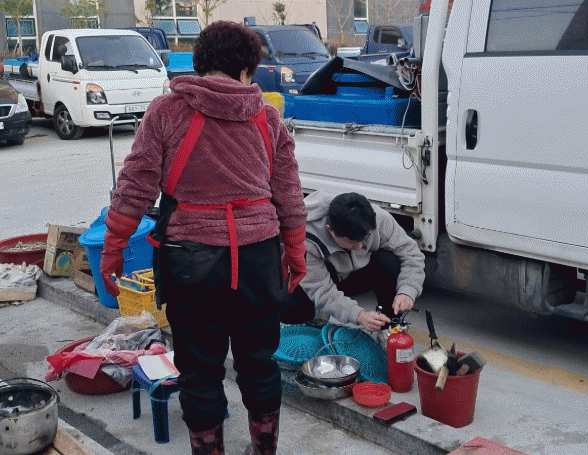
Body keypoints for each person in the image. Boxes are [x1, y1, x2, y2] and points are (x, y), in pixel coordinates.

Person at [98, 21, 307, 455]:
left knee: (199, 370)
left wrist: (114, 247)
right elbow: (289, 193)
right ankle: (264, 449)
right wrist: (295, 251)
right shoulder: (267, 117)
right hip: (257, 259)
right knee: (259, 363)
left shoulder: (166, 111)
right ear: (246, 69)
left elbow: (135, 185)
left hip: (191, 262)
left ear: (200, 64)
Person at [300, 190, 425, 333]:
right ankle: (315, 312)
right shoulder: (305, 236)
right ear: (330, 230)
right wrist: (358, 315)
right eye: (352, 242)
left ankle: (389, 325)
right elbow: (320, 290)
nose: (359, 246)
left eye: (364, 238)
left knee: (390, 260)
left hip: (358, 274)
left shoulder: (379, 218)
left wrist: (407, 291)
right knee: (292, 305)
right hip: (328, 277)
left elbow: (413, 255)